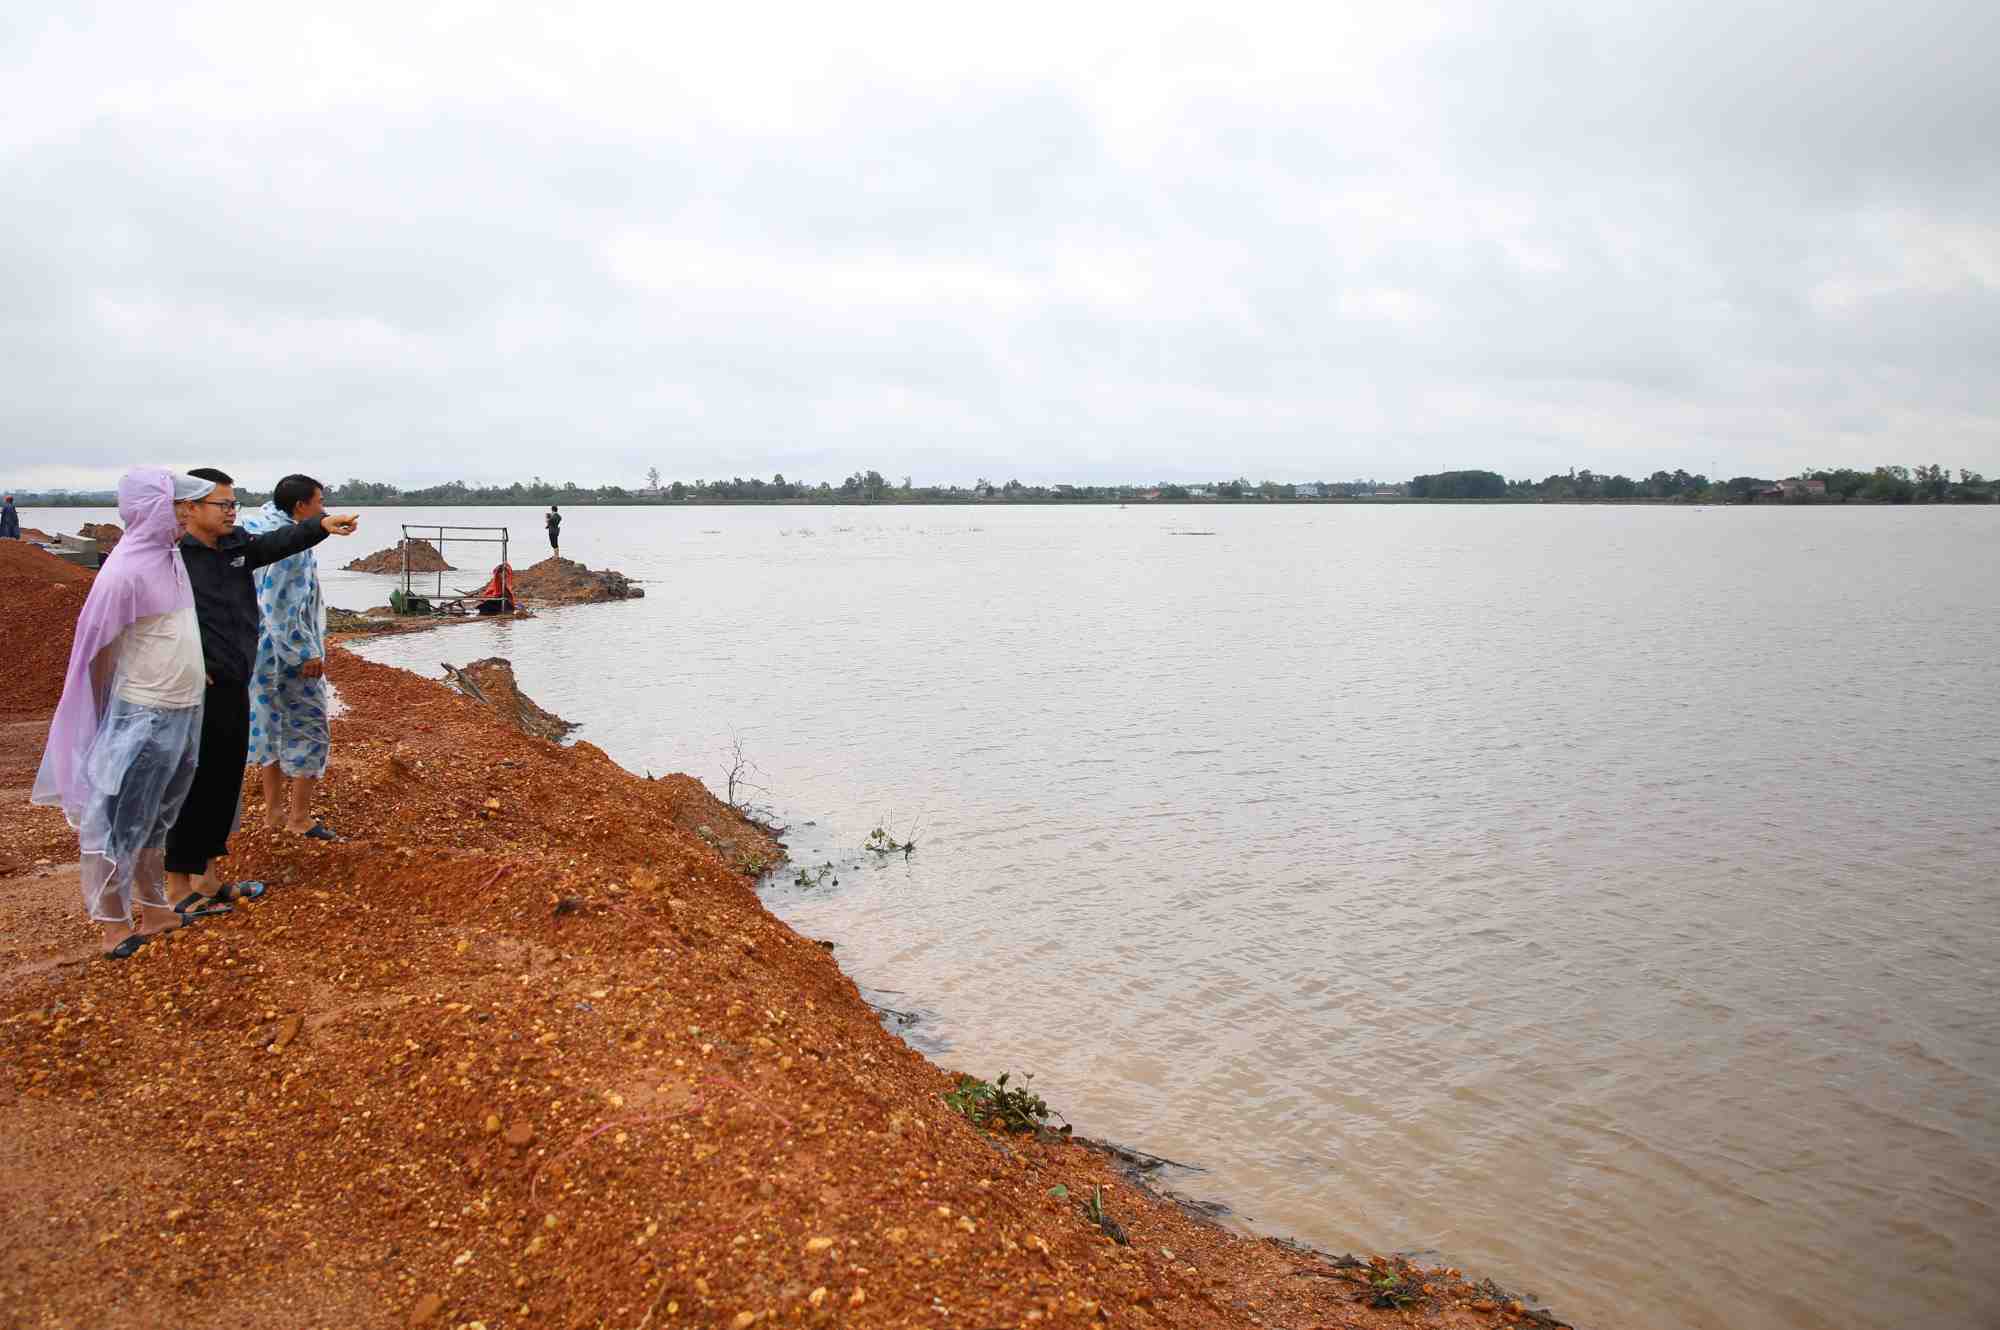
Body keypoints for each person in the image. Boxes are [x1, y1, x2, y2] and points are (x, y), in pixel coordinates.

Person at [32, 469, 211, 957]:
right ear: (155, 508)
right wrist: (102, 716)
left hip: (181, 707)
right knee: (119, 820)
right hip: (143, 712)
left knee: (156, 819)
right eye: (179, 504)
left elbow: (171, 632)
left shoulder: (169, 559)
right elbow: (97, 650)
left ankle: (153, 908)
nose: (186, 513)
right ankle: (113, 922)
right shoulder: (125, 571)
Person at [165, 468, 357, 912]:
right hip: (197, 687)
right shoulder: (174, 558)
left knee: (223, 783)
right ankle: (178, 890)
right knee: (192, 783)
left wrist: (319, 527)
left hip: (238, 677)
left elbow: (275, 545)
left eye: (235, 504)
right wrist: (189, 662)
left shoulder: (234, 547)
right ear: (189, 508)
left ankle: (209, 880)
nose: (234, 513)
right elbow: (150, 623)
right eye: (224, 505)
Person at [240, 474, 336, 839]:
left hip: (256, 647)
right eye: (319, 502)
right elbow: (282, 604)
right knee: (310, 728)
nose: (323, 510)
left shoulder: (255, 525)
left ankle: (274, 812)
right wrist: (306, 650)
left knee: (270, 724)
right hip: (287, 651)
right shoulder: (291, 547)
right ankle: (299, 818)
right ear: (301, 507)